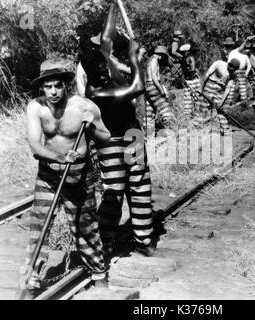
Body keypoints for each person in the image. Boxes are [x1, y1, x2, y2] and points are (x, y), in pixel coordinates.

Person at [20, 59, 111, 294]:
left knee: (85, 227)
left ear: (66, 85)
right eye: (48, 86)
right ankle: (32, 279)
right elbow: (34, 144)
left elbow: (106, 137)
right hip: (48, 173)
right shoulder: (35, 108)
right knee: (39, 226)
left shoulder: (84, 106)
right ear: (42, 87)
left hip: (79, 175)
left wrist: (92, 127)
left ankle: (99, 274)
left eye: (57, 86)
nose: (52, 92)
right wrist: (59, 158)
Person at [81, 0, 156, 257]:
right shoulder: (94, 89)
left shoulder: (101, 60)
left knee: (140, 186)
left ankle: (144, 240)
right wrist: (135, 58)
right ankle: (105, 245)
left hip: (132, 133)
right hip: (110, 140)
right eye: (100, 71)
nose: (105, 72)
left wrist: (113, 5)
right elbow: (137, 88)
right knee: (114, 193)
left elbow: (107, 36)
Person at [195, 58, 240, 135]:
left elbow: (227, 89)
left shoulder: (233, 75)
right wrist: (201, 88)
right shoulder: (219, 64)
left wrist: (221, 102)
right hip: (210, 85)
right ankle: (198, 128)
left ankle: (224, 129)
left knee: (221, 110)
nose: (231, 69)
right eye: (230, 67)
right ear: (228, 64)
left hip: (220, 90)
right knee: (203, 108)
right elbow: (207, 75)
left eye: (234, 69)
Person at [144, 45, 175, 133]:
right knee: (165, 110)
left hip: (147, 87)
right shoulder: (154, 60)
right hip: (153, 86)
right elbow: (154, 77)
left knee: (150, 113)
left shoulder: (148, 60)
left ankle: (149, 136)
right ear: (161, 55)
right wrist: (161, 90)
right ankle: (170, 132)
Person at [226, 37, 252, 102]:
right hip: (234, 72)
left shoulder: (244, 55)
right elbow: (228, 63)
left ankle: (243, 103)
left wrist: (246, 73)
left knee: (243, 91)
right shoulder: (233, 53)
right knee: (232, 89)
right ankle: (229, 103)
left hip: (242, 74)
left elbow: (249, 65)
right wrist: (231, 72)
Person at [179, 43, 201, 118]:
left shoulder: (189, 58)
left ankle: (195, 114)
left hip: (192, 79)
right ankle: (191, 115)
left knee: (194, 97)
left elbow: (192, 69)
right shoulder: (187, 58)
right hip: (189, 79)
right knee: (190, 98)